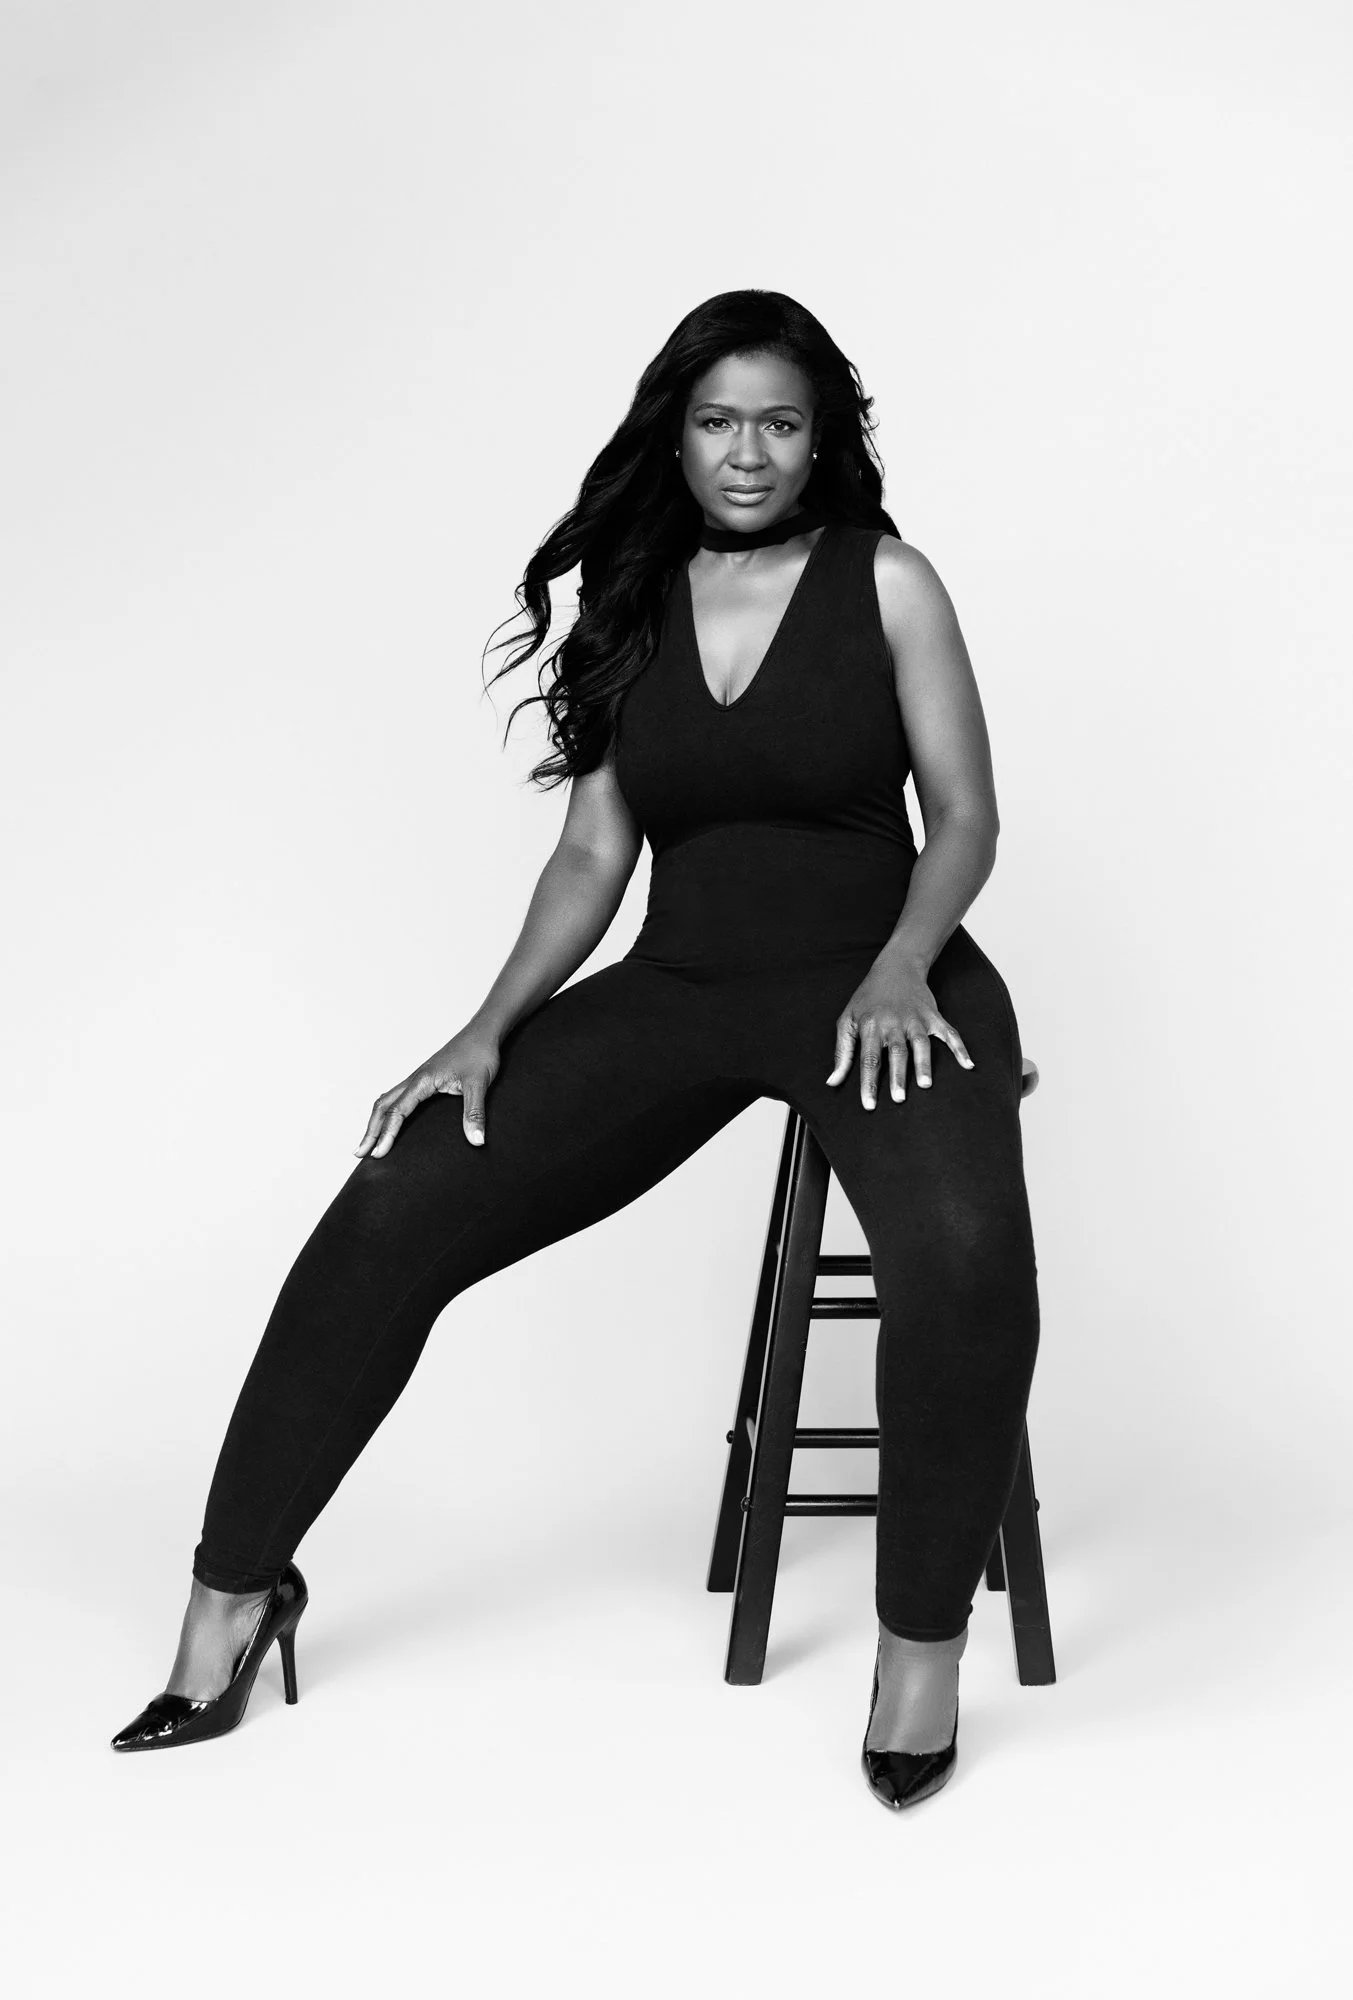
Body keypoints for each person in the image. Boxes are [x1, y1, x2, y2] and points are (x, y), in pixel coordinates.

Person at [111, 289, 1041, 1811]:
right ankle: (230, 1602)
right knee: (402, 1194)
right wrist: (485, 1032)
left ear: (824, 440)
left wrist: (894, 970)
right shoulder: (630, 593)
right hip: (684, 982)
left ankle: (921, 1651)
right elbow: (593, 852)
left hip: (889, 977)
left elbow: (971, 818)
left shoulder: (889, 581)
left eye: (782, 422)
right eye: (719, 419)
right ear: (674, 432)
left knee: (962, 1258)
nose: (749, 451)